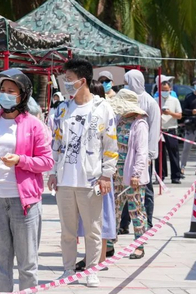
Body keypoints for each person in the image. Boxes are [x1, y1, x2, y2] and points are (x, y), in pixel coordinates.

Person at [0, 68, 54, 292]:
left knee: (27, 264)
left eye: (11, 91)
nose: (5, 95)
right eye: (2, 90)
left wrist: (21, 160)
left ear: (23, 95)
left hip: (24, 202)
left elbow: (47, 162)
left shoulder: (34, 125)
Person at [48, 58, 117, 288]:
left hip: (91, 180)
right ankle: (68, 269)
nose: (66, 84)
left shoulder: (103, 108)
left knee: (93, 230)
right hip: (66, 180)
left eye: (68, 80)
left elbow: (110, 144)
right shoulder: (63, 109)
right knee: (67, 230)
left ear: (82, 80)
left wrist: (107, 175)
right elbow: (56, 143)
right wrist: (52, 171)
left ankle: (92, 270)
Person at [75, 79, 116, 272]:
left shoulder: (103, 113)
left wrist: (106, 175)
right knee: (89, 218)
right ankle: (91, 256)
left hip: (100, 177)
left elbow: (109, 148)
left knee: (102, 218)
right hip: (88, 176)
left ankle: (99, 258)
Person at [107, 89, 150, 259]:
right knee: (114, 209)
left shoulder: (139, 125)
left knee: (136, 209)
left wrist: (136, 174)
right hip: (115, 173)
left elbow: (142, 152)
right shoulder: (118, 121)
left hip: (132, 175)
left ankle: (139, 244)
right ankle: (109, 243)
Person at [122, 69, 160, 231]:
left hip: (144, 154)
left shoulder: (149, 102)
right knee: (125, 189)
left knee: (146, 188)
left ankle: (148, 221)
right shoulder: (126, 99)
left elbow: (154, 129)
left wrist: (150, 154)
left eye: (127, 82)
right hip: (127, 152)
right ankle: (124, 224)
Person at [157, 77, 183, 184]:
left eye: (166, 90)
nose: (164, 92)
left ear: (170, 89)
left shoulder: (174, 100)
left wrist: (170, 113)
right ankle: (160, 176)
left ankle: (175, 176)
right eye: (162, 90)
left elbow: (179, 115)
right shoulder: (155, 100)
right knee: (159, 155)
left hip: (171, 129)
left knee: (173, 153)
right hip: (159, 130)